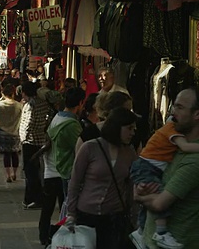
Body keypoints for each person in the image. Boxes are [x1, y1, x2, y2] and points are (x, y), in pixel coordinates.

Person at [129, 92, 199, 249]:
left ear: (196, 114)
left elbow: (160, 204)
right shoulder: (175, 145)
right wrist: (143, 188)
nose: (174, 111)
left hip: (178, 242)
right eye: (174, 106)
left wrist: (139, 197)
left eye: (180, 107)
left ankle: (159, 233)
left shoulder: (194, 160)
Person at [65, 107, 138, 248]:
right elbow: (74, 182)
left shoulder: (129, 153)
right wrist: (71, 213)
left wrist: (134, 216)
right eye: (129, 128)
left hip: (114, 217)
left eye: (134, 129)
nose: (132, 133)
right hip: (87, 215)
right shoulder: (90, 148)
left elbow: (130, 185)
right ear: (117, 127)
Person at [36, 87, 86, 245]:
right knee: (65, 210)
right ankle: (61, 239)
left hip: (50, 169)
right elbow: (80, 148)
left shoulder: (56, 117)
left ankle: (44, 237)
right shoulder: (72, 125)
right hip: (62, 171)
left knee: (48, 208)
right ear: (80, 103)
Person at [19, 82, 54, 209]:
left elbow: (27, 123)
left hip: (30, 141)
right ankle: (32, 198)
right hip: (41, 139)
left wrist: (23, 138)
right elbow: (49, 115)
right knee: (37, 169)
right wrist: (44, 128)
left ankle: (34, 198)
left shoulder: (30, 105)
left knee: (30, 171)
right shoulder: (43, 103)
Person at [0, 84, 23, 183]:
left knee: (6, 155)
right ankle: (14, 173)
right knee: (15, 153)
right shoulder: (19, 105)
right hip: (15, 132)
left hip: (2, 132)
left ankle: (8, 174)